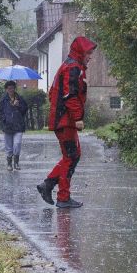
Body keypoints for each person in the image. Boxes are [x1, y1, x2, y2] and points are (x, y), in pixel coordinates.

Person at [37, 35, 95, 209]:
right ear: (80, 52)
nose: (90, 56)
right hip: (66, 121)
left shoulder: (69, 66)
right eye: (88, 53)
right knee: (71, 156)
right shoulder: (73, 68)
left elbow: (53, 93)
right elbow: (69, 95)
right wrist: (77, 117)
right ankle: (62, 196)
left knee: (71, 156)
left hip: (62, 120)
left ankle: (48, 186)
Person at [0, 80, 28, 171]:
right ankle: (9, 164)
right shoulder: (3, 99)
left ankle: (16, 163)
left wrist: (18, 105)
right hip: (7, 126)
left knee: (17, 144)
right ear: (6, 89)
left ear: (15, 88)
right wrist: (4, 120)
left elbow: (24, 110)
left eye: (12, 88)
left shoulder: (20, 98)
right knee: (8, 146)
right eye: (9, 88)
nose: (11, 89)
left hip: (18, 125)